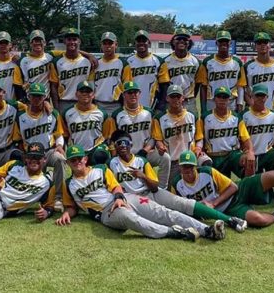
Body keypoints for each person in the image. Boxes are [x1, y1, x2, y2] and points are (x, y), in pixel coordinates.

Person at [56, 145, 214, 242]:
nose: (76, 163)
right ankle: (174, 233)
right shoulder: (69, 184)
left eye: (79, 159)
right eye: (72, 160)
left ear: (85, 159)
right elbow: (72, 206)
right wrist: (67, 214)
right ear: (68, 163)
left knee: (164, 212)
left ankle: (206, 229)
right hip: (106, 212)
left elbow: (116, 187)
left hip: (125, 198)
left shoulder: (101, 169)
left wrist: (118, 198)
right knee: (132, 219)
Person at [108, 132, 246, 232]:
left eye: (124, 142)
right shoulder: (111, 164)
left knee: (184, 203)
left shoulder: (141, 161)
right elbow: (112, 187)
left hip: (151, 192)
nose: (121, 146)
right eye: (118, 143)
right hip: (133, 198)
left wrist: (142, 176)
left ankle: (230, 220)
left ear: (131, 144)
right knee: (167, 213)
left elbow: (155, 187)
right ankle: (207, 230)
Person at [171, 151, 274, 228]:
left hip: (235, 192)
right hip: (228, 210)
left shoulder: (207, 172)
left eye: (190, 166)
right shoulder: (177, 184)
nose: (188, 170)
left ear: (195, 166)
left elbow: (233, 187)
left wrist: (213, 203)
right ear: (180, 167)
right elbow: (178, 206)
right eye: (185, 167)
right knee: (258, 220)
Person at [11, 82, 67, 209]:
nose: (37, 99)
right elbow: (18, 140)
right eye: (34, 96)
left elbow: (58, 134)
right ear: (29, 97)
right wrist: (24, 155)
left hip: (48, 151)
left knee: (60, 159)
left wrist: (59, 145)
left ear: (44, 97)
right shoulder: (20, 116)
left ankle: (59, 197)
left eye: (40, 96)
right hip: (30, 155)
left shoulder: (53, 114)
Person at [106, 81, 171, 188]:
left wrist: (145, 150)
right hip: (125, 156)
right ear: (124, 95)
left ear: (139, 94)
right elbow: (113, 140)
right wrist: (115, 157)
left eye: (135, 92)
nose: (133, 95)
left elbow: (154, 136)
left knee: (165, 158)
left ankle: (162, 189)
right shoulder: (117, 114)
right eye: (129, 93)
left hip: (145, 153)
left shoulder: (149, 113)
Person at [238, 84, 274, 210]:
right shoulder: (244, 115)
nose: (260, 98)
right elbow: (240, 138)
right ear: (252, 97)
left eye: (263, 96)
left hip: (267, 153)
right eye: (257, 95)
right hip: (252, 154)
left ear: (267, 97)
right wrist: (245, 152)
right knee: (261, 198)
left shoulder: (273, 116)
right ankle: (248, 198)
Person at [199, 86, 255, 179]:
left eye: (225, 97)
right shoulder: (205, 117)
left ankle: (247, 189)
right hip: (213, 156)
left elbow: (246, 138)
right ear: (214, 99)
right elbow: (199, 138)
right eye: (219, 96)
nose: (222, 99)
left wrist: (250, 152)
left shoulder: (236, 117)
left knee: (249, 160)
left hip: (231, 155)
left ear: (229, 100)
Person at [151, 84, 204, 183]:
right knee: (171, 191)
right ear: (167, 98)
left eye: (178, 96)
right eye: (172, 96)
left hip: (191, 159)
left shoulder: (192, 116)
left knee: (206, 163)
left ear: (183, 98)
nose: (175, 99)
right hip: (172, 161)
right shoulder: (159, 118)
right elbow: (158, 140)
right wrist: (160, 146)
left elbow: (199, 137)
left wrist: (198, 148)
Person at [61, 80, 113, 165]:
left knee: (100, 155)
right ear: (76, 94)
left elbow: (107, 136)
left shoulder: (102, 113)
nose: (85, 94)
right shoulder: (67, 113)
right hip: (77, 149)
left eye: (88, 91)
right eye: (82, 91)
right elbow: (65, 136)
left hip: (96, 148)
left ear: (93, 95)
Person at [156, 28, 204, 115]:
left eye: (185, 39)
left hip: (189, 102)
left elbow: (198, 84)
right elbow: (163, 85)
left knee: (191, 127)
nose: (182, 41)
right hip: (171, 101)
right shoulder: (165, 61)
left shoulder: (196, 62)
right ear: (173, 42)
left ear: (189, 42)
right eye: (178, 38)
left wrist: (190, 96)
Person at [238, 32, 274, 113]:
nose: (262, 45)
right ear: (255, 46)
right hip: (253, 111)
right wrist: (252, 104)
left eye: (265, 42)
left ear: (269, 45)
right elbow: (242, 89)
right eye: (259, 43)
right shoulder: (247, 66)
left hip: (273, 110)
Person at [199, 30, 243, 114]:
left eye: (226, 41)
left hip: (231, 102)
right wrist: (203, 107)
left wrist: (240, 105)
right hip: (212, 102)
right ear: (216, 43)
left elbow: (240, 86)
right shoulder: (207, 61)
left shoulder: (237, 62)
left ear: (230, 43)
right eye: (221, 41)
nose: (223, 43)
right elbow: (203, 86)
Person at [51, 28, 93, 112]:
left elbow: (92, 84)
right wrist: (56, 108)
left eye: (74, 39)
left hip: (83, 102)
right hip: (64, 102)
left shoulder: (88, 61)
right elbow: (53, 86)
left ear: (79, 41)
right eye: (69, 39)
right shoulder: (56, 61)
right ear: (64, 41)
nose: (72, 42)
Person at [124, 30, 164, 109]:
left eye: (144, 41)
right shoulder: (127, 61)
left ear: (149, 43)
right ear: (135, 43)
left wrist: (161, 104)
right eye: (138, 41)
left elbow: (164, 85)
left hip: (153, 104)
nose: (141, 43)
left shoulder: (158, 61)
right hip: (132, 104)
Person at [93, 32, 129, 116]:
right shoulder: (96, 63)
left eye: (110, 43)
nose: (107, 46)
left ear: (116, 45)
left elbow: (127, 88)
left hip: (116, 105)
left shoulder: (123, 64)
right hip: (97, 104)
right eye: (104, 43)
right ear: (101, 45)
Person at [0, 31, 25, 101]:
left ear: (10, 45)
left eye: (5, 42)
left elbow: (19, 86)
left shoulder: (16, 63)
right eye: (1, 43)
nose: (3, 45)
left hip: (11, 104)